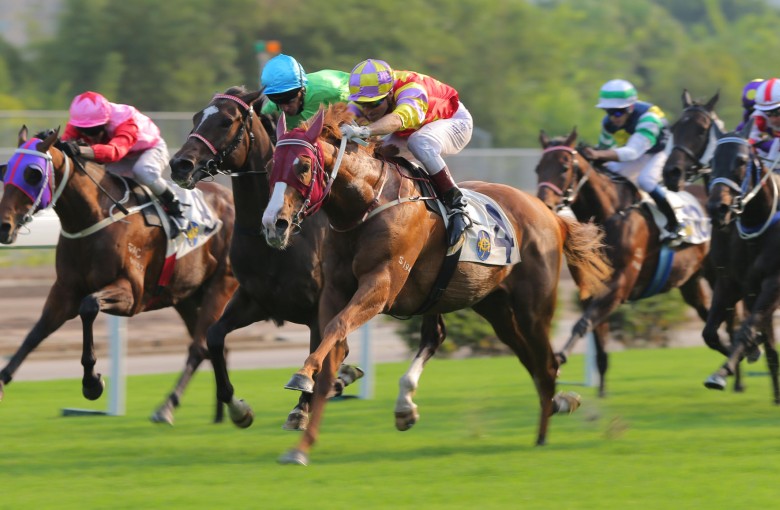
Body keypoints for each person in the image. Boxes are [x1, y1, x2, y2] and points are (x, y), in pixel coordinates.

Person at [339, 58, 473, 247]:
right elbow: (344, 119)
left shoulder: (411, 89)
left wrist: (365, 131)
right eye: (363, 104)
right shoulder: (366, 99)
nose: (367, 111)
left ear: (390, 93)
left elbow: (396, 120)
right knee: (378, 153)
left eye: (374, 104)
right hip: (414, 128)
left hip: (455, 122)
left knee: (419, 142)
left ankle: (456, 203)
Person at [61, 91, 186, 230]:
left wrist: (81, 150)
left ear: (106, 120)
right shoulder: (79, 121)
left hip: (148, 149)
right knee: (105, 182)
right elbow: (65, 144)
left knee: (143, 172)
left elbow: (115, 152)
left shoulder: (125, 119)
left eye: (94, 129)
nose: (88, 134)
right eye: (82, 130)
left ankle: (176, 208)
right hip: (122, 155)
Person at [582, 79, 680, 243]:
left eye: (619, 112)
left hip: (661, 151)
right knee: (608, 173)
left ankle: (674, 223)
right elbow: (604, 148)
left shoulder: (649, 118)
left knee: (646, 181)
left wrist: (598, 155)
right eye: (609, 111)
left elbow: (632, 152)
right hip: (639, 151)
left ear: (631, 107)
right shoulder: (608, 123)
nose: (614, 117)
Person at [260, 54, 350, 130]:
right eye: (279, 103)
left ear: (302, 89)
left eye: (290, 102)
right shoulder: (271, 110)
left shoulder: (333, 93)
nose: (285, 109)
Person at [747, 77, 780, 163]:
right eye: (767, 113)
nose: (772, 119)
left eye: (777, 112)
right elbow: (750, 141)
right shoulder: (758, 117)